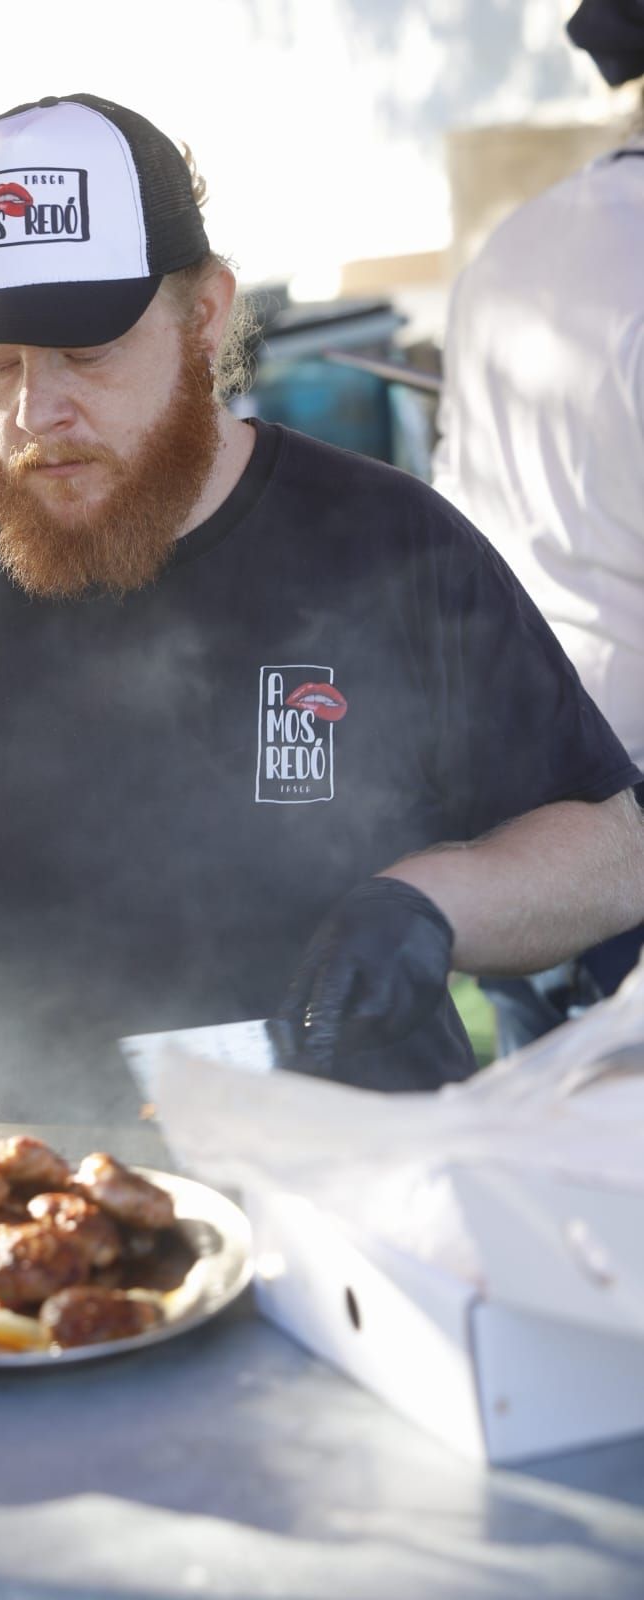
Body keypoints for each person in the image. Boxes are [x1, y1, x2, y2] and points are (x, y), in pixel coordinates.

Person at [0, 92, 644, 1120]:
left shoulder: (387, 543)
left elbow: (609, 847)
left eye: (86, 351)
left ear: (204, 316)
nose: (34, 412)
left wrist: (433, 903)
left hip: (360, 1180)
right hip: (25, 1211)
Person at [432, 0, 644, 1053]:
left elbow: (449, 495)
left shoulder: (514, 242)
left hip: (512, 783)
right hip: (629, 806)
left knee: (549, 1164)